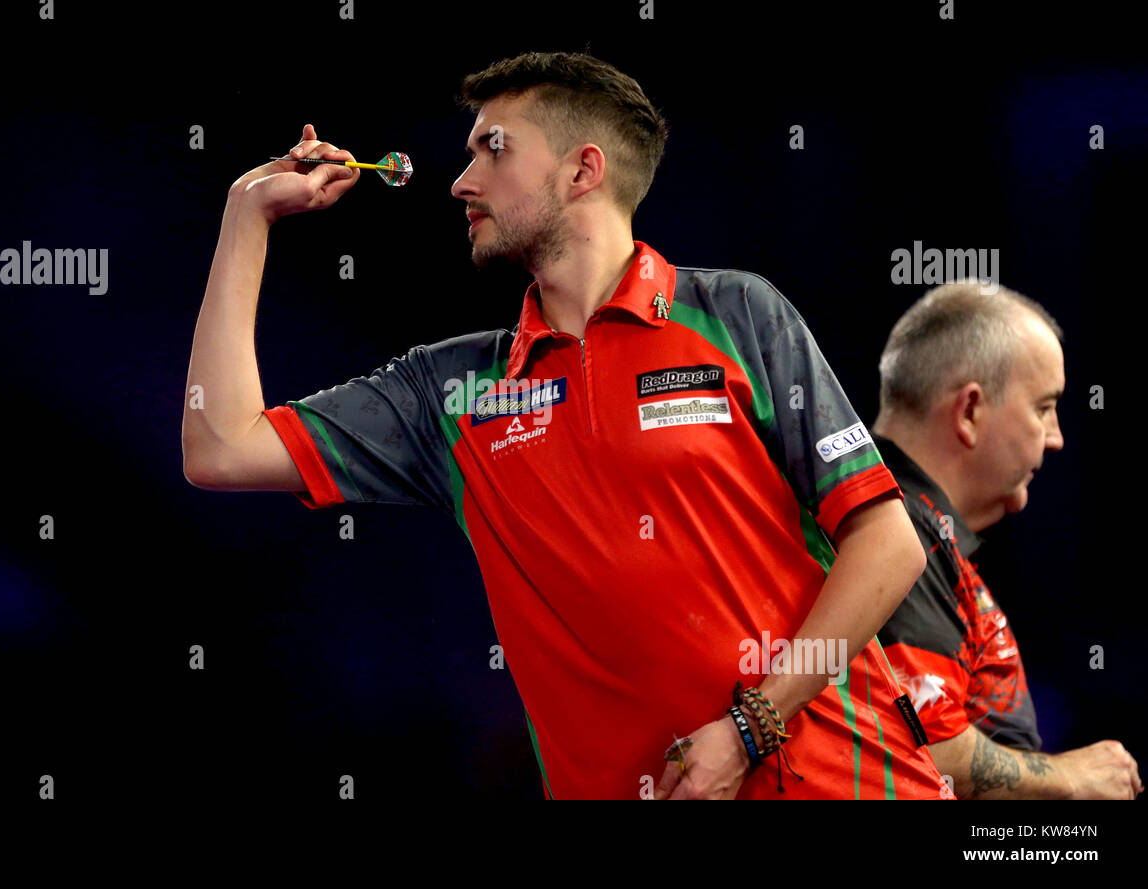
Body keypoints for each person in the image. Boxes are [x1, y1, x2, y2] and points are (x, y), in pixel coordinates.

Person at [182, 51, 945, 799]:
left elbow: (886, 542)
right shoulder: (451, 393)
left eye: (494, 148)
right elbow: (218, 445)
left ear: (583, 171)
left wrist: (752, 726)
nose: (461, 181)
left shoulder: (738, 314)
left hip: (853, 779)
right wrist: (245, 215)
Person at [873, 280, 1143, 799]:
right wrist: (1069, 779)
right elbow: (920, 747)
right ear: (970, 411)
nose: (1057, 437)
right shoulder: (895, 525)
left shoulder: (925, 530)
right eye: (1044, 408)